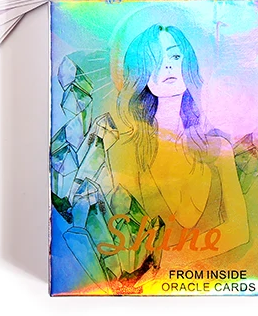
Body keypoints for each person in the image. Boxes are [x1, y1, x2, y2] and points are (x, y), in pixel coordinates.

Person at [106, 24, 249, 260]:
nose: (168, 65)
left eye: (175, 56)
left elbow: (239, 230)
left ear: (188, 63)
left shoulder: (218, 150)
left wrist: (171, 259)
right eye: (155, 59)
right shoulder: (125, 152)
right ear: (139, 73)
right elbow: (124, 234)